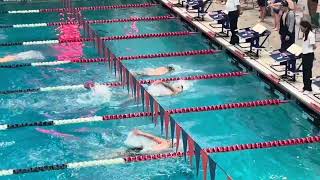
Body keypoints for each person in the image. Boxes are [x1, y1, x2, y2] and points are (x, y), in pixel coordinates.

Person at [300, 20, 316, 94]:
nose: (300, 28)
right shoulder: (305, 34)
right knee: (304, 71)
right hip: (304, 55)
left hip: (309, 55)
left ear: (306, 27)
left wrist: (312, 54)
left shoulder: (311, 35)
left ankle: (309, 88)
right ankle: (305, 86)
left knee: (308, 72)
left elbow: (314, 46)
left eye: (302, 27)